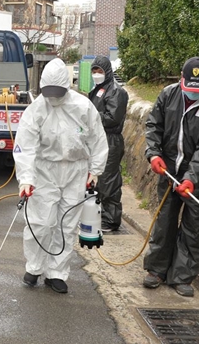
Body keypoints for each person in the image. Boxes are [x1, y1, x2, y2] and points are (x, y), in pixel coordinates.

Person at [13, 58, 109, 294]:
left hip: (76, 171)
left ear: (67, 87)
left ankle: (56, 273)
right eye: (49, 92)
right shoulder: (36, 109)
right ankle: (34, 267)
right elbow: (25, 146)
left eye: (58, 92)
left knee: (67, 224)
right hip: (45, 170)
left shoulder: (83, 106)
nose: (53, 96)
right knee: (41, 222)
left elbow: (97, 139)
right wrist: (25, 179)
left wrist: (95, 170)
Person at [143, 56, 199, 297]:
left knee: (195, 226)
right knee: (165, 220)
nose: (192, 93)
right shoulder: (168, 95)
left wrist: (192, 177)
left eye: (197, 89)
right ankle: (156, 269)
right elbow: (154, 126)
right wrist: (153, 154)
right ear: (181, 80)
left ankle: (182, 275)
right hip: (169, 170)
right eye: (188, 87)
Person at [88, 56, 129, 231]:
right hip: (98, 139)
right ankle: (99, 214)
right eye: (94, 71)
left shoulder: (116, 91)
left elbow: (113, 118)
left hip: (110, 140)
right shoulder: (99, 89)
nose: (97, 74)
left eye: (100, 71)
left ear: (108, 72)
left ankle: (111, 219)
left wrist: (91, 117)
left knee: (109, 180)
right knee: (97, 179)